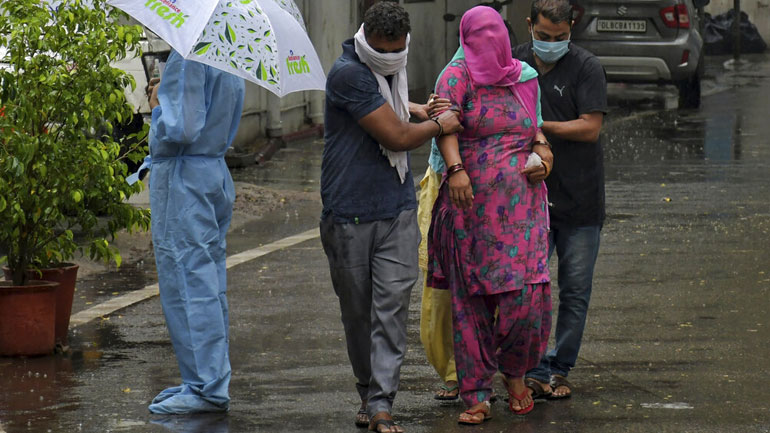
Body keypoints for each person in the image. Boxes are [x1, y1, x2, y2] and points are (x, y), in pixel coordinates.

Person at [319, 2, 462, 433]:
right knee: (358, 314)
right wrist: (440, 124)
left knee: (391, 311)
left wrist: (416, 107)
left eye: (396, 50)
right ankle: (367, 391)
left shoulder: (390, 74)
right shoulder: (348, 73)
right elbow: (397, 136)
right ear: (365, 38)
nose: (389, 58)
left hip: (396, 210)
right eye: (381, 50)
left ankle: (381, 404)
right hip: (349, 215)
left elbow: (393, 106)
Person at [426, 5, 554, 424]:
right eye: (477, 37)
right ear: (465, 40)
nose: (487, 44)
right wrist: (456, 170)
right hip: (471, 209)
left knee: (526, 300)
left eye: (493, 35)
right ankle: (476, 393)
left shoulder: (524, 77)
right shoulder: (455, 76)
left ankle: (515, 374)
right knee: (472, 303)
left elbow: (535, 128)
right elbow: (445, 126)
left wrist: (543, 155)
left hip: (523, 210)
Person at [512, 0, 608, 400]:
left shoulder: (586, 67)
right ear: (529, 25)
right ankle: (531, 368)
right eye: (544, 36)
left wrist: (536, 125)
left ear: (572, 29)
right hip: (528, 200)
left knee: (574, 291)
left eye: (560, 37)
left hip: (581, 199)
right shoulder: (513, 63)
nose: (551, 43)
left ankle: (560, 368)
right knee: (527, 290)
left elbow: (590, 127)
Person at [143, 49, 245, 414]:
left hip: (184, 180)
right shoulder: (227, 53)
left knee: (187, 282)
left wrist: (158, 105)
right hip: (211, 174)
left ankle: (204, 386)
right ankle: (208, 378)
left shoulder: (189, 55)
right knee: (207, 282)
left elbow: (181, 128)